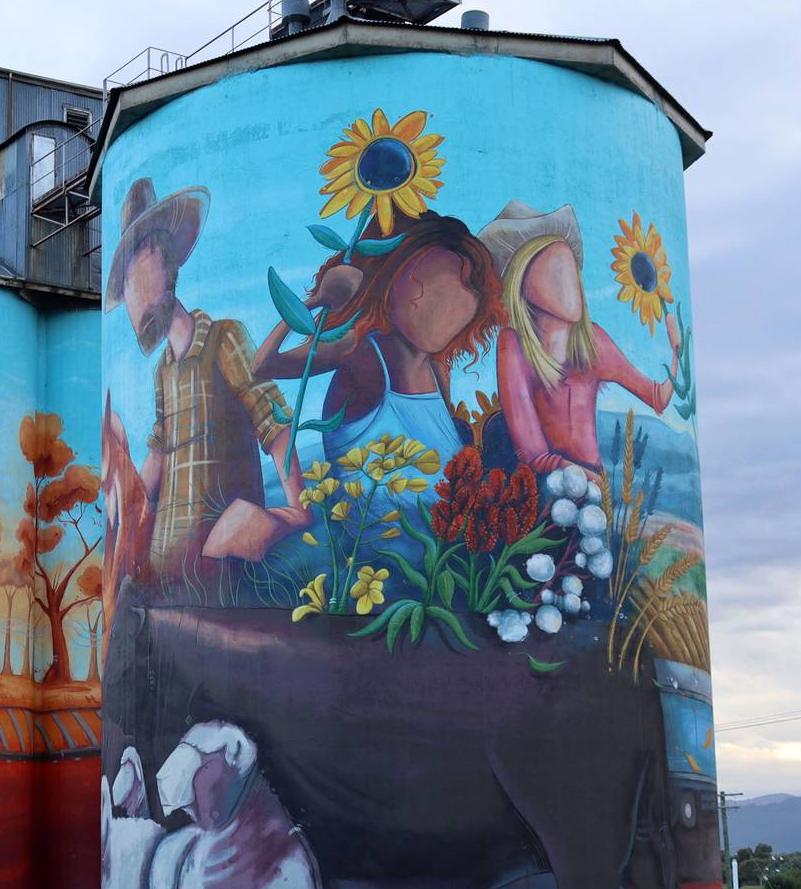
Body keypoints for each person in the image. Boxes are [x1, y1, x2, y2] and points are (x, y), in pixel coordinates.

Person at [101, 179, 301, 585]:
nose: (131, 292)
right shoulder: (163, 370)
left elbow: (275, 423)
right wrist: (125, 502)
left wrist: (294, 512)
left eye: (135, 264)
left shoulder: (224, 338)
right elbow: (159, 452)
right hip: (166, 569)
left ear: (160, 255)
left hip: (221, 569)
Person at [250, 211, 504, 493]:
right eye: (425, 286)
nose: (438, 309)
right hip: (372, 533)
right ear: (386, 282)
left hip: (444, 529)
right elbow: (264, 364)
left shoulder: (436, 366)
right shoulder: (362, 350)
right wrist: (317, 300)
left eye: (463, 293)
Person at [478, 201, 681, 477]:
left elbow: (657, 397)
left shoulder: (592, 342)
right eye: (554, 273)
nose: (568, 284)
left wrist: (676, 351)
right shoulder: (514, 346)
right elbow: (534, 455)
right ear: (522, 285)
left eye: (571, 271)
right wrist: (588, 481)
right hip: (549, 485)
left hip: (592, 479)